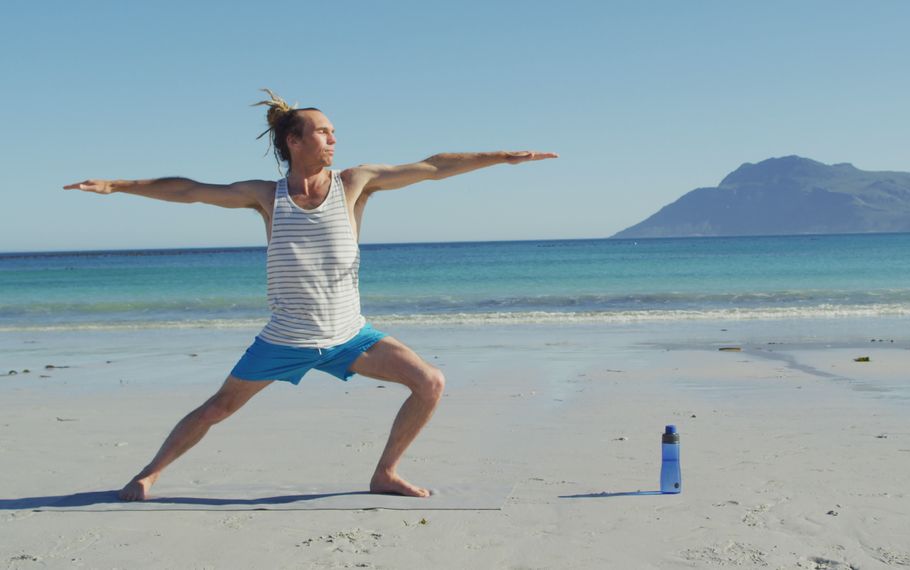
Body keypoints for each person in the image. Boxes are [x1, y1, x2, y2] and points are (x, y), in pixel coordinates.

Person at [64, 90, 557, 500]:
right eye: (323, 131)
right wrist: (117, 185)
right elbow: (190, 189)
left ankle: (385, 473)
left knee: (430, 382)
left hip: (349, 336)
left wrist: (498, 157)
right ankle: (148, 474)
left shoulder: (355, 184)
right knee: (218, 408)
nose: (333, 139)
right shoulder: (266, 195)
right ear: (293, 139)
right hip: (283, 338)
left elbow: (431, 166)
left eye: (334, 132)